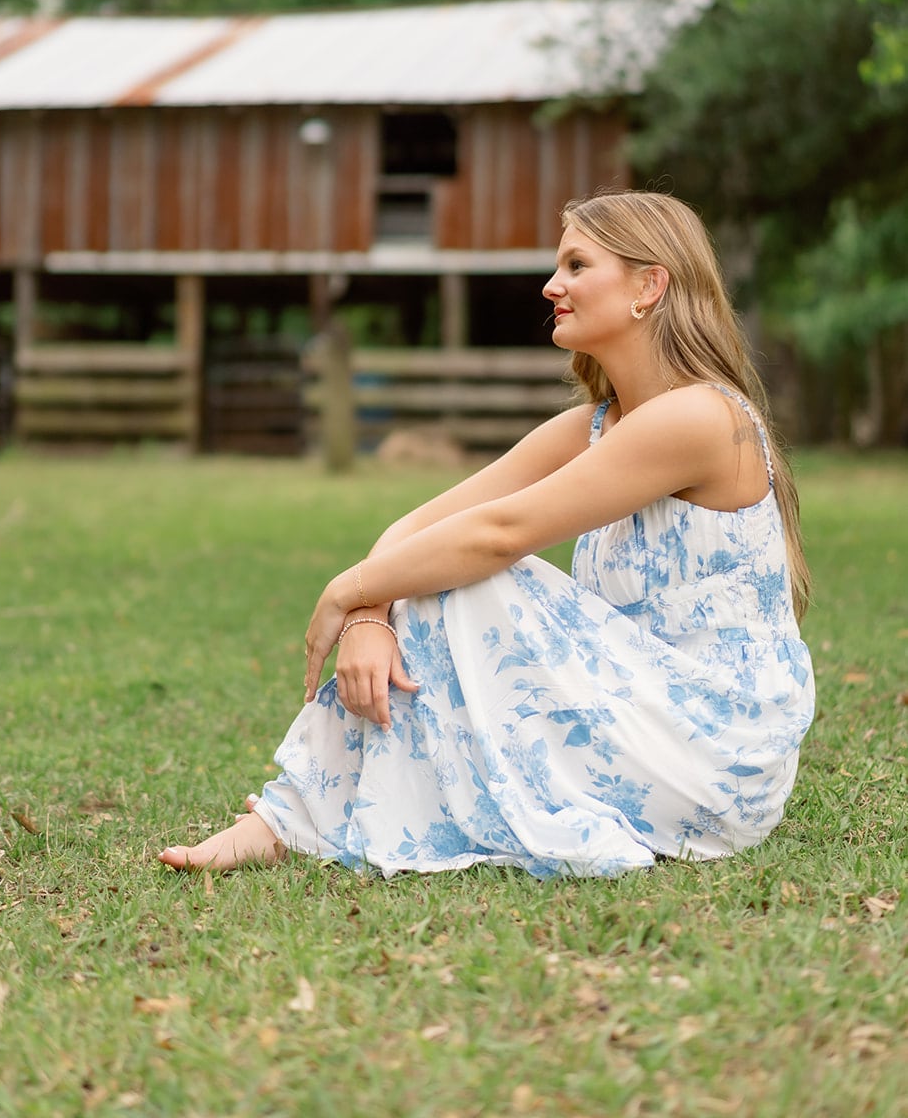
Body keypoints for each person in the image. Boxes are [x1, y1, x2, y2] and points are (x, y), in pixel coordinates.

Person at [160, 190, 815, 878]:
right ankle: (287, 817)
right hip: (632, 711)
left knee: (475, 573)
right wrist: (368, 615)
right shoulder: (593, 426)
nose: (550, 285)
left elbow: (498, 534)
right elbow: (418, 526)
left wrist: (347, 590)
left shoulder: (701, 418)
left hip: (716, 748)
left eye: (575, 264)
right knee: (435, 567)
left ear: (648, 286)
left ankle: (289, 820)